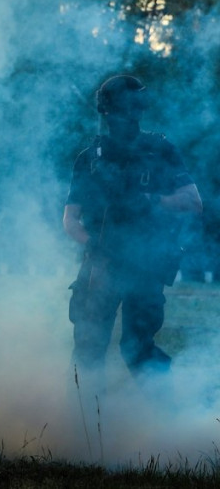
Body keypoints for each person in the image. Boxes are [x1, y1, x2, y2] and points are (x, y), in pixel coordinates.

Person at [63, 75, 201, 384]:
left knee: (137, 350)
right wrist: (92, 245)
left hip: (145, 264)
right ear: (107, 111)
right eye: (124, 109)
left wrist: (151, 199)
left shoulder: (159, 149)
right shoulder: (90, 159)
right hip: (100, 264)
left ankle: (164, 419)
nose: (131, 116)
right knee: (88, 349)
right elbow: (70, 219)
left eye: (136, 108)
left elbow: (193, 201)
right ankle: (79, 421)